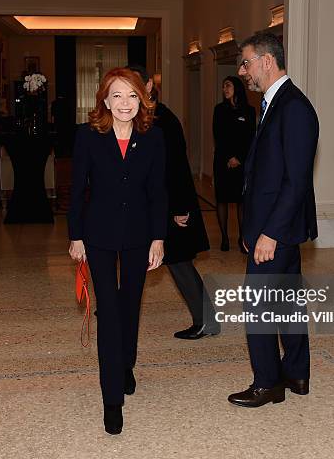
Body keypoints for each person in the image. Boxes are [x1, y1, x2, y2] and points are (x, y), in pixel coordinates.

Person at [67, 68, 167, 434]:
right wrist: (75, 236)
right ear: (104, 101)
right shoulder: (88, 137)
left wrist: (159, 237)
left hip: (140, 234)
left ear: (141, 99)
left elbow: (158, 191)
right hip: (99, 234)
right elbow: (77, 189)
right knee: (108, 312)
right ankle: (112, 400)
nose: (125, 104)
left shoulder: (153, 137)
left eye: (131, 96)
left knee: (130, 305)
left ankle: (126, 364)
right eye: (117, 96)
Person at [228, 32, 319, 408]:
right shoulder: (273, 103)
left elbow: (296, 182)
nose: (241, 71)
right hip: (272, 226)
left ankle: (268, 383)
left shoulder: (293, 106)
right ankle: (296, 373)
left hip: (276, 230)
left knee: (259, 304)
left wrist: (268, 234)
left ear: (267, 60)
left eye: (246, 62)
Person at [128, 65, 220, 340]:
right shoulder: (140, 116)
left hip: (172, 205)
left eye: (133, 86)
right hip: (153, 203)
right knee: (142, 257)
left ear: (147, 86)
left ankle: (207, 321)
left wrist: (180, 209)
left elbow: (177, 166)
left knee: (179, 262)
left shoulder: (164, 119)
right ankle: (118, 307)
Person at [212, 76, 256, 252]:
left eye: (228, 85)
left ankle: (242, 238)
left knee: (241, 200)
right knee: (222, 198)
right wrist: (229, 157)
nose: (225, 89)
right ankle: (224, 238)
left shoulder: (249, 111)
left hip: (242, 162)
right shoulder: (219, 110)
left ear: (237, 87)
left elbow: (250, 137)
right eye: (223, 86)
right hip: (222, 161)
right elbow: (218, 135)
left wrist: (238, 157)